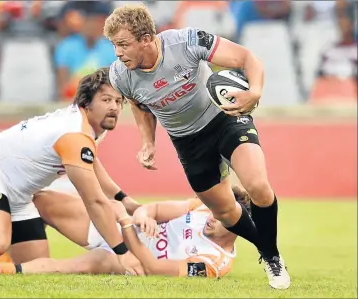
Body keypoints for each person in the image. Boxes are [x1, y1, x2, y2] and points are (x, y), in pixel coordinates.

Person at [103, 4, 290, 289]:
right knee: (225, 213)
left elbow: (247, 57)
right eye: (114, 45)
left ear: (146, 39)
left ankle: (272, 258)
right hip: (187, 142)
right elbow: (139, 105)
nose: (117, 53)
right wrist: (148, 142)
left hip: (224, 119)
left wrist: (254, 91)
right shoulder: (120, 74)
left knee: (258, 187)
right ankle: (267, 249)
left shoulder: (186, 42)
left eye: (123, 45)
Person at [0, 68, 142, 275]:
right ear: (86, 103)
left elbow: (93, 164)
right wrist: (122, 252)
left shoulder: (83, 126)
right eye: (106, 100)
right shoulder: (75, 136)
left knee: (32, 266)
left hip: (19, 194)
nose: (114, 106)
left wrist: (124, 199)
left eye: (118, 101)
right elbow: (95, 202)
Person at [0, 186, 250, 279]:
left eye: (222, 217)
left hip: (122, 258)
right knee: (41, 200)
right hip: (115, 227)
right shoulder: (202, 208)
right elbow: (152, 209)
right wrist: (139, 216)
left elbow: (153, 267)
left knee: (64, 268)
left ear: (239, 227)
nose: (212, 217)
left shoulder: (213, 265)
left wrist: (127, 229)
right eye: (217, 210)